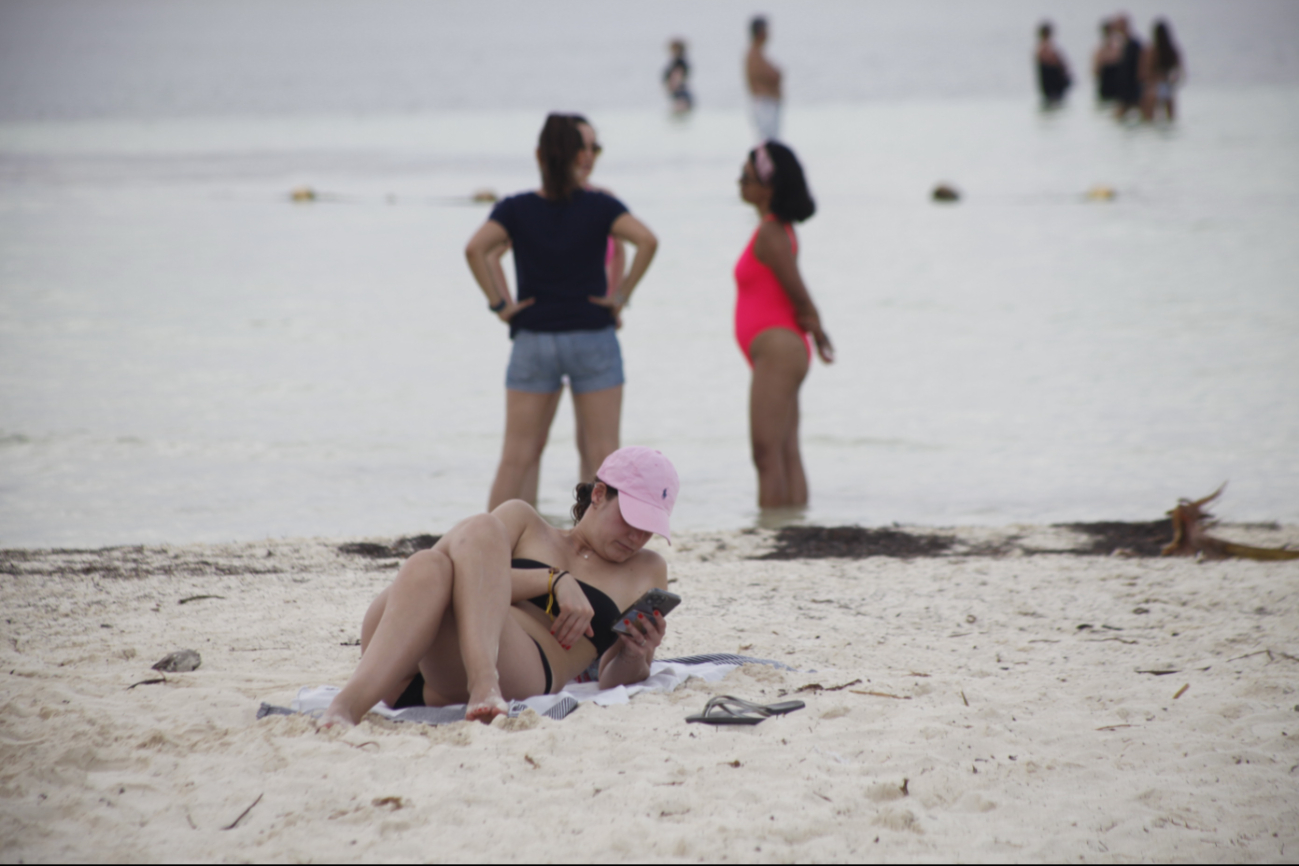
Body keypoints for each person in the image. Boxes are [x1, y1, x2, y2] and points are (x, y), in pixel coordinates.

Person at [320, 446, 679, 727]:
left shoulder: (646, 569)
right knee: (451, 548)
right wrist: (552, 580)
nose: (637, 536)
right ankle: (346, 707)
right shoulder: (526, 524)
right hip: (404, 660)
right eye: (631, 519)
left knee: (455, 556)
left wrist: (635, 653)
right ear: (599, 494)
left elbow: (612, 680)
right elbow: (464, 570)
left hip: (517, 667)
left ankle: (482, 680)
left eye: (649, 528)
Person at [465, 114, 658, 513]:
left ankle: (497, 546)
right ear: (577, 157)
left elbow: (475, 249)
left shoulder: (515, 208)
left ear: (539, 155)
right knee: (602, 454)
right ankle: (595, 549)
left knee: (518, 454)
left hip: (534, 337)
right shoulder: (601, 205)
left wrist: (501, 306)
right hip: (592, 335)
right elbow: (646, 240)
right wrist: (620, 297)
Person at [734, 141, 833, 509]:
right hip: (781, 349)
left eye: (745, 177)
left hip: (779, 349)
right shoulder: (776, 229)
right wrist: (816, 335)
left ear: (768, 185)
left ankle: (774, 532)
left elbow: (801, 295)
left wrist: (820, 334)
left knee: (765, 452)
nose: (738, 184)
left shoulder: (772, 233)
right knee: (786, 449)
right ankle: (794, 527)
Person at [746, 16, 782, 142]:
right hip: (764, 104)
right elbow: (770, 76)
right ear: (760, 32)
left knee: (772, 142)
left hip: (768, 103)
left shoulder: (759, 54)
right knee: (768, 143)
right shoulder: (754, 54)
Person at [1140, 19, 1183, 121]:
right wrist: (1171, 80)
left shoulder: (1152, 51)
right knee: (1170, 119)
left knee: (1148, 120)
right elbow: (1180, 71)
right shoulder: (1172, 50)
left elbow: (1144, 73)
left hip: (1153, 87)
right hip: (1167, 86)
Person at [1110, 14, 1144, 118]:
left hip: (1134, 87)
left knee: (1142, 115)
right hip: (1123, 89)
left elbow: (1141, 67)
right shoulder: (1120, 45)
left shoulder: (1134, 45)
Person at [1035, 22, 1071, 104]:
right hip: (1050, 80)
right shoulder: (1042, 48)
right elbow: (1051, 61)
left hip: (1054, 80)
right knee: (1053, 100)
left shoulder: (1048, 47)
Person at [1092, 18, 1124, 101]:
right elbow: (1096, 71)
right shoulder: (1100, 50)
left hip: (1116, 83)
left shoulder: (1118, 47)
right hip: (1107, 83)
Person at [664, 39, 693, 114]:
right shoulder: (680, 61)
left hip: (679, 91)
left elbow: (677, 76)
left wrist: (673, 86)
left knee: (679, 113)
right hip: (680, 91)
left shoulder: (678, 62)